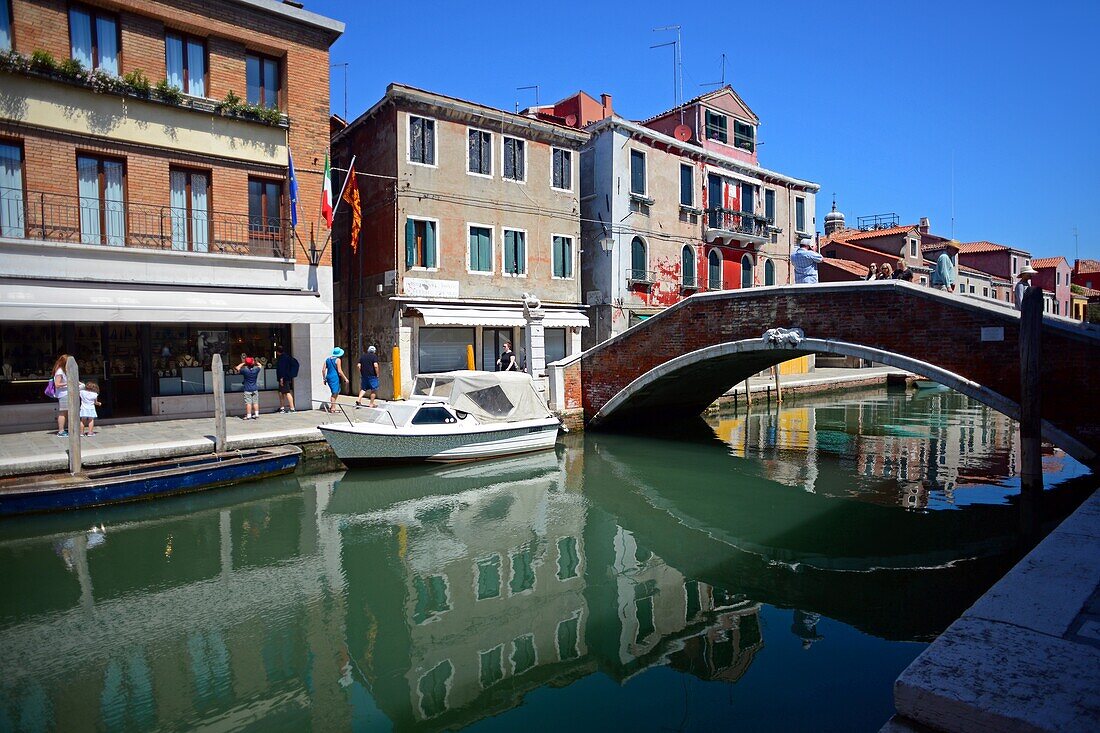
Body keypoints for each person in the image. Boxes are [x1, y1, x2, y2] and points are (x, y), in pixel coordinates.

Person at [322, 347, 349, 413]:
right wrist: (345, 378)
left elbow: (323, 370)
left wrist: (324, 378)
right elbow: (339, 371)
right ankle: (333, 408)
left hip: (329, 376)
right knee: (334, 393)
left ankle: (332, 406)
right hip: (335, 377)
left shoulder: (327, 359)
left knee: (335, 391)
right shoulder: (338, 360)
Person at [51, 354, 71, 436]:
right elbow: (57, 384)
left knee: (66, 412)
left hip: (66, 393)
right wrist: (68, 383)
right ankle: (61, 430)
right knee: (63, 412)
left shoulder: (64, 370)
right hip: (63, 394)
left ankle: (64, 429)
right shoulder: (59, 371)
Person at [274, 346, 298, 413]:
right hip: (285, 377)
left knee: (287, 392)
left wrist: (281, 378)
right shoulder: (287, 357)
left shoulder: (282, 358)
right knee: (281, 393)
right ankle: (282, 407)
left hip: (283, 378)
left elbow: (282, 369)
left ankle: (292, 408)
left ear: (278, 352)